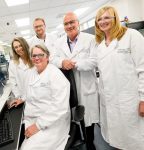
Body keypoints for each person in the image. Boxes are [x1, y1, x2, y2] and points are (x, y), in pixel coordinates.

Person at [95, 6, 144, 150]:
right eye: (99, 19)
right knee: (119, 140)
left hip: (132, 101)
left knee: (137, 140)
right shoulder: (100, 47)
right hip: (111, 103)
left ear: (115, 19)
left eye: (107, 17)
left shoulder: (131, 36)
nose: (103, 21)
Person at [52, 12, 99, 150]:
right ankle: (78, 140)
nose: (69, 25)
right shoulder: (59, 42)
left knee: (88, 120)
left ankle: (90, 144)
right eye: (66, 23)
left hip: (86, 85)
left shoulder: (91, 39)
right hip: (69, 86)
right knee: (73, 117)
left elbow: (94, 61)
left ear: (78, 23)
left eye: (72, 22)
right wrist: (62, 62)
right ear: (63, 26)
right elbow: (53, 59)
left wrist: (74, 64)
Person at [19, 44, 70, 150]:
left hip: (52, 122)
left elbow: (60, 107)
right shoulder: (32, 72)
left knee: (27, 148)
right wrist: (22, 99)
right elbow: (30, 92)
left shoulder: (55, 75)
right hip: (33, 118)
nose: (36, 58)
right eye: (34, 56)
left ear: (47, 57)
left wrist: (38, 126)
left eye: (40, 55)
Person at [8, 37, 33, 108]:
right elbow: (13, 82)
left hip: (38, 96)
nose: (18, 49)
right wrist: (19, 97)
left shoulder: (34, 59)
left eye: (20, 45)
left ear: (24, 45)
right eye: (16, 47)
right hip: (23, 99)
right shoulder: (12, 63)